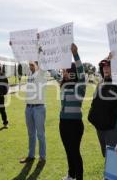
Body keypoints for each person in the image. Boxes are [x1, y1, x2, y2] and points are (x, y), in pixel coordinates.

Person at [51, 43, 86, 180]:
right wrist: (42, 54)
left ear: (72, 72)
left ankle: (79, 177)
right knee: (68, 151)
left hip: (75, 124)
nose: (63, 72)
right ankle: (71, 175)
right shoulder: (63, 85)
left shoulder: (80, 85)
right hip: (63, 123)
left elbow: (81, 72)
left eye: (66, 70)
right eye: (63, 71)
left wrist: (75, 54)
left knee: (74, 152)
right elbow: (52, 72)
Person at [9, 40, 48, 164]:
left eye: (33, 64)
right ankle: (31, 156)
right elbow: (21, 57)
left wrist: (38, 48)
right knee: (31, 134)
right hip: (29, 108)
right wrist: (14, 47)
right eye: (30, 64)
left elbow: (41, 59)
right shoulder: (30, 74)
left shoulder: (41, 73)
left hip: (38, 108)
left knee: (40, 134)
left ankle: (42, 157)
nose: (30, 65)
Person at [88, 58, 117, 157]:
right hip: (99, 128)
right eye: (103, 66)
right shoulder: (100, 83)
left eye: (109, 66)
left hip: (112, 130)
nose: (105, 69)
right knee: (106, 155)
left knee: (114, 158)